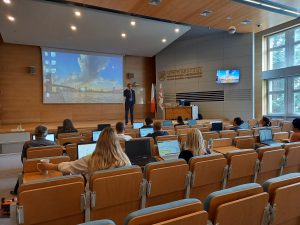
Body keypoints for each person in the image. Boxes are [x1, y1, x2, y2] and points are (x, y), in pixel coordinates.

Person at [38, 127, 131, 176]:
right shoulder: (125, 160)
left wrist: (49, 166)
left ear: (99, 142)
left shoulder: (90, 160)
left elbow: (69, 167)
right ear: (117, 143)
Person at [11, 125, 56, 195]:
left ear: (35, 133)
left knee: (23, 172)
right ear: (46, 134)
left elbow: (23, 159)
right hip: (49, 167)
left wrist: (28, 166)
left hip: (31, 167)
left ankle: (16, 192)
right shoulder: (53, 144)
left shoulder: (27, 144)